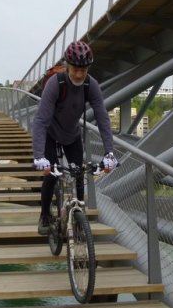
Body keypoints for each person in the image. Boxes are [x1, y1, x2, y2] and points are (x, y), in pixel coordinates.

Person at [31, 40, 117, 235]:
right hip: (50, 135)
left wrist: (109, 152)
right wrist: (39, 156)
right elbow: (40, 121)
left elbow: (102, 118)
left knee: (79, 174)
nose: (79, 74)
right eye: (76, 69)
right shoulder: (56, 83)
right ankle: (44, 215)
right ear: (68, 66)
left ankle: (79, 215)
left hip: (71, 135)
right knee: (51, 175)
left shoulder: (90, 84)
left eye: (84, 69)